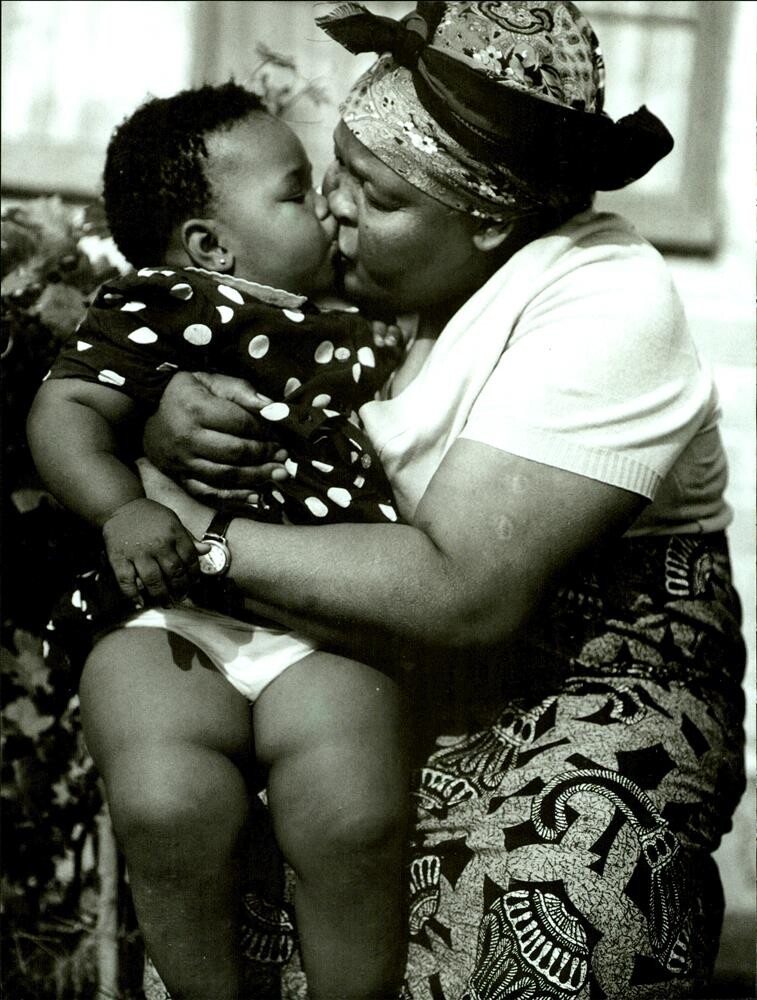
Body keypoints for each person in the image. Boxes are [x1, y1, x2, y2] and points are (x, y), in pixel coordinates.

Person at [70, 2, 749, 998]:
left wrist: (194, 529)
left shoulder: (602, 297)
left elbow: (464, 590)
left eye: (377, 196)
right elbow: (183, 352)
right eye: (335, 173)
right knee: (219, 835)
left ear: (488, 219)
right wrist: (168, 418)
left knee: (552, 902)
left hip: (592, 670)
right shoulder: (362, 279)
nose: (334, 210)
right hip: (363, 648)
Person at [28, 82, 414, 1000]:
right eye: (296, 191)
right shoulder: (157, 304)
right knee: (166, 805)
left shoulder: (363, 313)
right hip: (165, 610)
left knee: (352, 815)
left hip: (317, 612)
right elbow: (64, 410)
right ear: (211, 247)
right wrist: (120, 509)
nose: (328, 203)